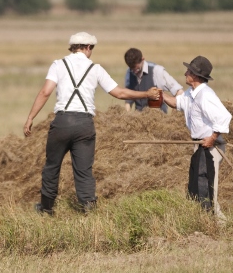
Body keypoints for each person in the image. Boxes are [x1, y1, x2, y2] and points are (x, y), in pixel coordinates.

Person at [24, 32, 160, 214]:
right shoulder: (95, 69)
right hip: (84, 124)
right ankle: (88, 208)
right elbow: (119, 93)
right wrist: (146, 94)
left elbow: (45, 92)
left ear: (73, 47)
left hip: (62, 121)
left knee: (52, 166)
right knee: (84, 170)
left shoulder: (58, 64)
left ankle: (46, 208)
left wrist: (30, 118)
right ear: (88, 47)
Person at [162, 55, 231, 219]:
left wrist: (212, 137)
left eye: (188, 71)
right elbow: (177, 103)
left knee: (207, 186)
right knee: (197, 185)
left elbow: (224, 117)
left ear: (196, 76)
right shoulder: (191, 93)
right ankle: (203, 220)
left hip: (211, 147)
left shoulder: (205, 95)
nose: (185, 73)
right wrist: (160, 95)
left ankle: (217, 223)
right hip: (200, 144)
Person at [123, 48, 184, 113]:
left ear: (142, 59)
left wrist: (175, 113)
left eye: (136, 68)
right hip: (138, 117)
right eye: (131, 68)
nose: (134, 71)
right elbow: (128, 99)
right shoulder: (129, 72)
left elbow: (179, 91)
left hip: (158, 115)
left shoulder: (157, 71)